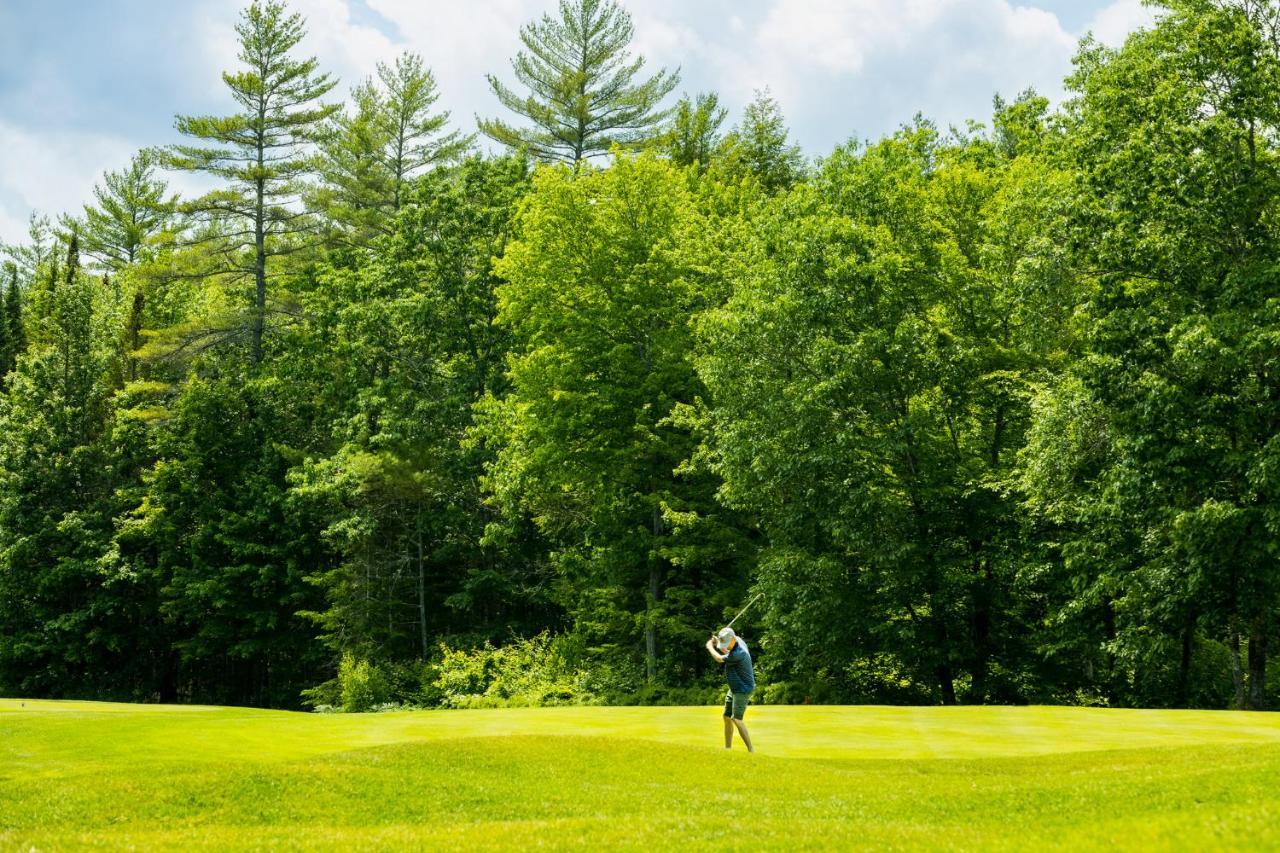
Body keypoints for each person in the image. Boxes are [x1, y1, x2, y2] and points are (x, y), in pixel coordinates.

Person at [705, 627, 755, 752]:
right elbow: (725, 649)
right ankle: (728, 750)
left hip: (742, 688)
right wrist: (718, 642)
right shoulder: (736, 641)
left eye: (727, 643)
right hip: (734, 687)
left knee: (736, 718)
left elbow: (719, 658)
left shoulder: (739, 654)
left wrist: (710, 646)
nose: (726, 646)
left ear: (733, 639)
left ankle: (751, 750)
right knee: (726, 716)